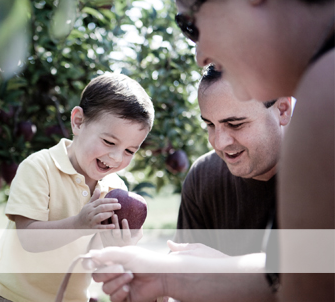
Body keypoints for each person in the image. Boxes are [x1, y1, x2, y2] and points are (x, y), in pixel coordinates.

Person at [90, 0, 335, 300]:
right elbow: (293, 273)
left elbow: (305, 284)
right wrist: (166, 279)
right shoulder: (205, 177)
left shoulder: (326, 88)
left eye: (192, 25)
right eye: (210, 125)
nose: (199, 56)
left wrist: (206, 269)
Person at [88, 66, 293, 302]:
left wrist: (215, 270)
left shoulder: (320, 176)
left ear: (282, 110)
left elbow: (312, 277)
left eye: (236, 124)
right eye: (210, 125)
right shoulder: (204, 176)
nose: (219, 142)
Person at [0, 73, 154, 302]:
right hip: (13, 295)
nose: (116, 157)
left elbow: (94, 263)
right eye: (109, 142)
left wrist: (118, 247)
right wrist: (78, 224)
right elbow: (28, 239)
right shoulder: (40, 167)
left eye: (129, 151)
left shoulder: (115, 189)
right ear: (78, 122)